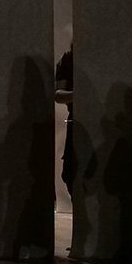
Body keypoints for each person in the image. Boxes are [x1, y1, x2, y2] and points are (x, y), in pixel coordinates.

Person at [55, 46, 74, 200]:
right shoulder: (68, 59)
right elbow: (58, 94)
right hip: (76, 120)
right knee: (69, 173)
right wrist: (77, 95)